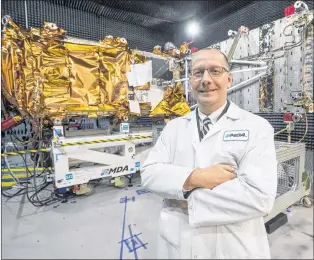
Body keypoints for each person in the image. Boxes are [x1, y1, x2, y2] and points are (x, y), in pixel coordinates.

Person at [141, 48, 278, 259]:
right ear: (191, 80)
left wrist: (183, 193)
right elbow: (149, 174)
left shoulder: (257, 128)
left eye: (215, 71)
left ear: (229, 79)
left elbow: (259, 197)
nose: (205, 80)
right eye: (198, 73)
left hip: (234, 245)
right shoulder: (174, 127)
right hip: (179, 243)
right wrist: (197, 177)